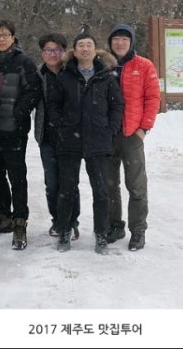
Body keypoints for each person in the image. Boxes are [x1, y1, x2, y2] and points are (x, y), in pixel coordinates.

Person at [47, 32, 124, 254]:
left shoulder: (106, 76)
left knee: (101, 190)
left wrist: (110, 129)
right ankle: (64, 230)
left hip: (98, 140)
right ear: (74, 51)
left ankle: (101, 233)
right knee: (67, 189)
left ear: (95, 50)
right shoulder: (65, 76)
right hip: (69, 140)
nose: (85, 48)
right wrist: (61, 126)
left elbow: (117, 106)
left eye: (89, 44)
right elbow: (53, 105)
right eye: (80, 45)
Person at [0, 19, 42, 250]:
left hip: (15, 129)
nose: (1, 39)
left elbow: (33, 91)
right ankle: (3, 216)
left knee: (17, 177)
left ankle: (19, 221)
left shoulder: (24, 62)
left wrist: (19, 112)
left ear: (13, 38)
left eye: (5, 35)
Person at [105, 23, 161, 251]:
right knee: (109, 185)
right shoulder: (103, 65)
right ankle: (114, 225)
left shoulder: (144, 65)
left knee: (136, 186)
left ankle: (138, 230)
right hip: (107, 135)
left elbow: (153, 98)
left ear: (131, 42)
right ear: (110, 42)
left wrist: (143, 129)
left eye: (124, 39)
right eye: (116, 39)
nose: (120, 43)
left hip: (132, 135)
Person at [33, 32, 80, 241]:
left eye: (57, 50)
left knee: (70, 182)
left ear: (64, 51)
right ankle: (57, 220)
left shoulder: (72, 72)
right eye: (48, 50)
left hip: (71, 136)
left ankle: (72, 222)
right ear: (42, 53)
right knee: (52, 183)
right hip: (47, 136)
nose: (52, 54)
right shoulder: (37, 74)